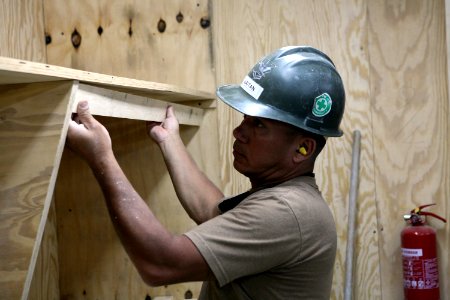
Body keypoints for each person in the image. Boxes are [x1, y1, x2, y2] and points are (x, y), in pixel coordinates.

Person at [66, 46, 345, 299]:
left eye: (259, 125)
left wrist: (101, 158)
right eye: (245, 119)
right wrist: (168, 139)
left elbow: (160, 264)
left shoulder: (285, 213)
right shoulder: (291, 200)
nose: (239, 132)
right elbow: (214, 211)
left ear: (303, 149)